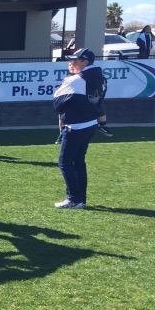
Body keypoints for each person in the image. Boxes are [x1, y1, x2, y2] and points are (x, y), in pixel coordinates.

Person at [53, 47, 100, 209]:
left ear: (84, 62)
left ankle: (73, 198)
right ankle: (81, 199)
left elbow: (57, 102)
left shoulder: (76, 80)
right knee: (79, 161)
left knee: (65, 162)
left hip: (76, 126)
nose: (70, 63)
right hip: (90, 123)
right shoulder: (98, 77)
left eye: (74, 60)